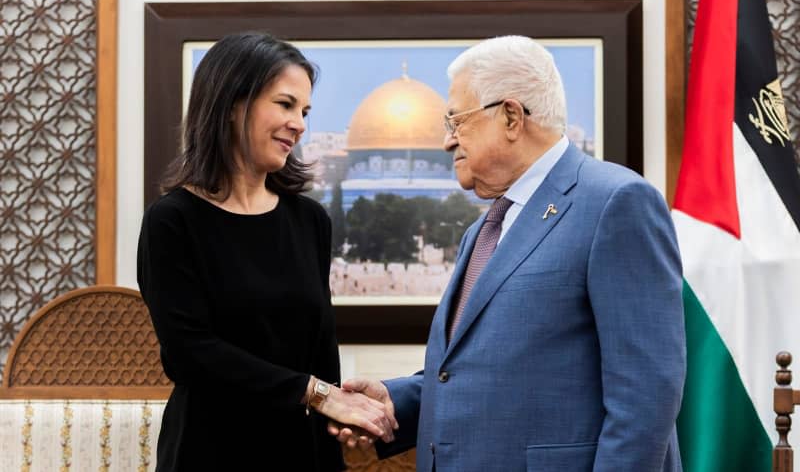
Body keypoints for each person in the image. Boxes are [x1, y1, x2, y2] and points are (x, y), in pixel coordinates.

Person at [331, 35, 686, 471]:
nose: (447, 141)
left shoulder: (616, 203)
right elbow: (474, 372)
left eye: (456, 120)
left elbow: (646, 395)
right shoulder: (483, 230)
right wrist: (394, 401)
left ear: (512, 117)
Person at [137, 32, 396, 472]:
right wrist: (315, 391)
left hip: (302, 450)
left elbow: (320, 348)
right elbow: (189, 354)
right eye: (285, 104)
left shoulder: (310, 221)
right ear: (232, 102)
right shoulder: (172, 221)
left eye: (305, 111)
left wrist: (336, 407)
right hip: (210, 451)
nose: (299, 123)